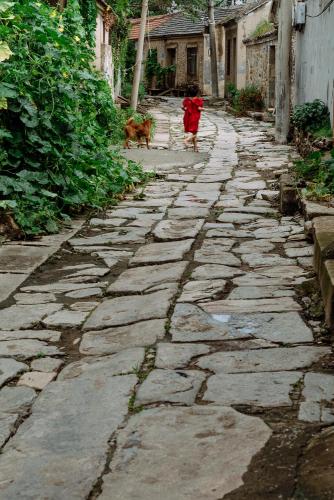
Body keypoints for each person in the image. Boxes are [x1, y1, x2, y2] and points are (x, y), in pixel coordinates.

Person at [182, 85, 204, 152]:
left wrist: (184, 108)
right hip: (194, 118)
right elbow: (199, 108)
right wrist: (203, 109)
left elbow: (184, 108)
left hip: (187, 118)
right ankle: (187, 140)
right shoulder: (198, 100)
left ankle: (195, 148)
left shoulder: (186, 100)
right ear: (197, 93)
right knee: (194, 133)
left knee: (194, 132)